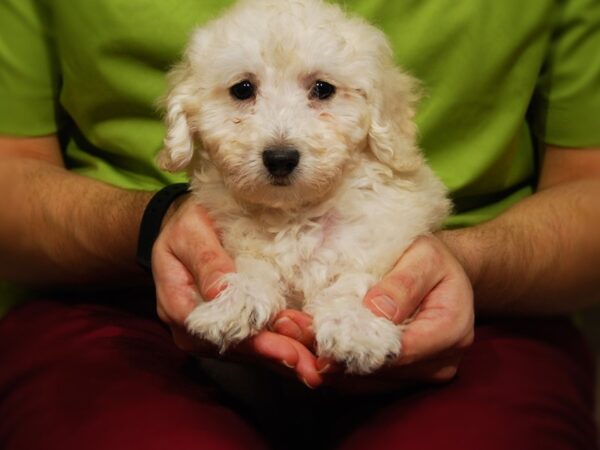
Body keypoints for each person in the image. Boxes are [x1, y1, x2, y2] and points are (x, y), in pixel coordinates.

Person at [0, 0, 598, 449]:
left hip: (479, 311)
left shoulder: (391, 197)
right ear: (187, 114)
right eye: (241, 91)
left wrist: (450, 267)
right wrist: (159, 229)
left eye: (321, 91)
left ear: (376, 111)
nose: (279, 139)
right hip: (122, 302)